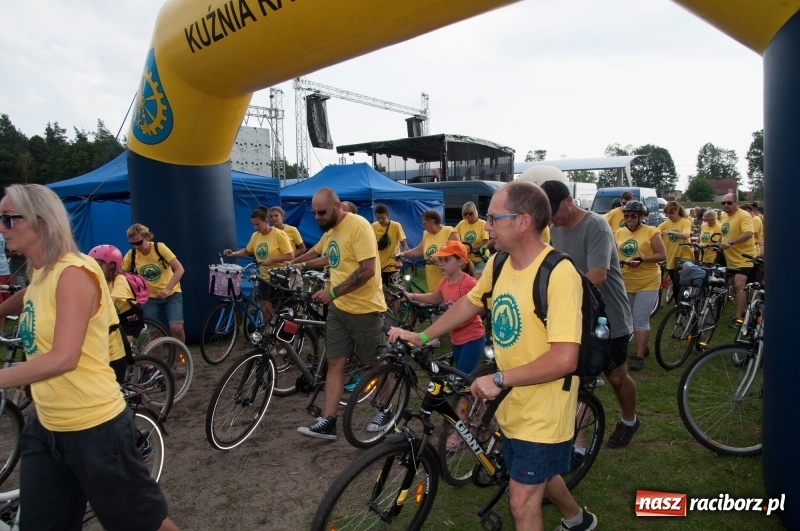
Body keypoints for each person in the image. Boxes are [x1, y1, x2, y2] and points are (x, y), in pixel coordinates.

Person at [389, 182, 597, 531]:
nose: (485, 226)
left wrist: (499, 378)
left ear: (523, 221)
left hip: (543, 410)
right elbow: (470, 304)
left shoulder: (559, 273)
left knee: (521, 501)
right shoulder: (500, 263)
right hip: (511, 400)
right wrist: (422, 335)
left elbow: (565, 359)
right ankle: (577, 520)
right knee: (533, 472)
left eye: (493, 218)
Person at [0, 183, 177, 531]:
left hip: (95, 429)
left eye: (8, 219)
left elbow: (64, 357)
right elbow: (29, 301)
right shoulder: (40, 273)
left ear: (43, 223)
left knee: (144, 525)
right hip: (47, 426)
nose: (1, 227)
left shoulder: (74, 272)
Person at [542, 179, 640, 448]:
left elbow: (597, 274)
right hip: (579, 314)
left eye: (554, 211)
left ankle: (630, 420)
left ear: (569, 201)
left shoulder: (596, 226)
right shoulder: (555, 228)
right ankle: (579, 443)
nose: (551, 217)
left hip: (610, 316)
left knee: (617, 377)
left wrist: (560, 295)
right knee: (581, 377)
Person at [293, 187, 387, 440]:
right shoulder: (331, 230)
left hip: (364, 308)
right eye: (314, 213)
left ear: (337, 207)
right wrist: (296, 264)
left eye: (321, 212)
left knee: (377, 363)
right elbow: (324, 256)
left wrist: (332, 293)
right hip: (339, 309)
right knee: (335, 362)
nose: (317, 218)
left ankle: (386, 409)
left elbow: (367, 269)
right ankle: (328, 421)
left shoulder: (358, 226)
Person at [614, 201, 666, 372]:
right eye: (626, 215)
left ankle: (639, 357)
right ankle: (642, 345)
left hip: (647, 281)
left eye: (633, 216)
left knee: (639, 319)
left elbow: (662, 254)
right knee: (627, 318)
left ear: (642, 217)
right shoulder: (619, 232)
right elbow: (614, 252)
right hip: (626, 281)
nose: (629, 219)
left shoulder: (651, 232)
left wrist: (643, 259)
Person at [224, 206, 294, 323]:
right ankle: (267, 335)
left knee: (280, 311)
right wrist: (234, 253)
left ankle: (279, 334)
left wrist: (271, 260)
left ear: (266, 221)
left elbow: (290, 255)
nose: (255, 228)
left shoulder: (279, 234)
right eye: (253, 225)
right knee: (265, 310)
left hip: (279, 278)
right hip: (264, 278)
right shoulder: (255, 236)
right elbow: (247, 250)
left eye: (257, 224)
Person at [122, 223, 187, 344]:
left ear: (147, 237)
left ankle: (182, 357)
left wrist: (167, 289)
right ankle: (157, 362)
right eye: (133, 244)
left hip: (172, 294)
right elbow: (121, 273)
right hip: (149, 298)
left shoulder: (159, 247)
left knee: (176, 328)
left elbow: (180, 269)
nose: (136, 246)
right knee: (154, 333)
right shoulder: (132, 254)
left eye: (139, 242)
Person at [89, 244, 143, 383]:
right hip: (115, 319)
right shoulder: (102, 280)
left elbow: (110, 301)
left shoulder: (120, 281)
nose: (96, 268)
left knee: (122, 349)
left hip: (130, 319)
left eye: (99, 264)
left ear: (112, 265)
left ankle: (149, 368)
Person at [399, 209, 459, 292]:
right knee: (434, 299)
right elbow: (418, 250)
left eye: (424, 223)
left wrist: (438, 258)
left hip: (447, 276)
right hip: (432, 276)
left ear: (431, 222)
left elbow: (457, 253)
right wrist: (402, 254)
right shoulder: (426, 234)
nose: (423, 225)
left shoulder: (449, 231)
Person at [718, 194, 755, 324]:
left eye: (729, 202)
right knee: (735, 285)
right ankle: (744, 310)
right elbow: (724, 233)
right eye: (723, 203)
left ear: (736, 203)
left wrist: (731, 243)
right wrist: (718, 244)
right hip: (731, 258)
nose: (726, 205)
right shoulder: (723, 216)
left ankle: (738, 317)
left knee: (739, 285)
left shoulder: (744, 215)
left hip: (745, 257)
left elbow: (749, 233)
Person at [658, 202, 693, 303]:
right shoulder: (665, 224)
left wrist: (671, 232)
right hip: (671, 257)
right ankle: (679, 305)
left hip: (683, 256)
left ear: (677, 211)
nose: (669, 216)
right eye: (667, 214)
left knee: (682, 283)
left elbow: (686, 235)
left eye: (671, 213)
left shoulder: (685, 222)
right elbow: (655, 232)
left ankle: (685, 303)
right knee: (675, 283)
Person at [372, 203, 408, 286]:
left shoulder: (396, 226)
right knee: (381, 293)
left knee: (395, 292)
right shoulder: (373, 226)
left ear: (388, 215)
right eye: (378, 218)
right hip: (378, 267)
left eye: (383, 218)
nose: (380, 220)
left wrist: (399, 260)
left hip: (392, 266)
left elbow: (405, 245)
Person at [454, 201, 489, 278]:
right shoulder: (462, 224)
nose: (468, 216)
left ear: (475, 212)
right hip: (467, 260)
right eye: (465, 214)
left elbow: (485, 241)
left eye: (470, 213)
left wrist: (470, 248)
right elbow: (453, 236)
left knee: (476, 282)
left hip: (480, 258)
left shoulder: (482, 223)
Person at [0, 233, 11, 331]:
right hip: (5, 270)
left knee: (2, 303)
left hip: (2, 271)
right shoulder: (3, 234)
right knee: (6, 301)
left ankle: (1, 331)